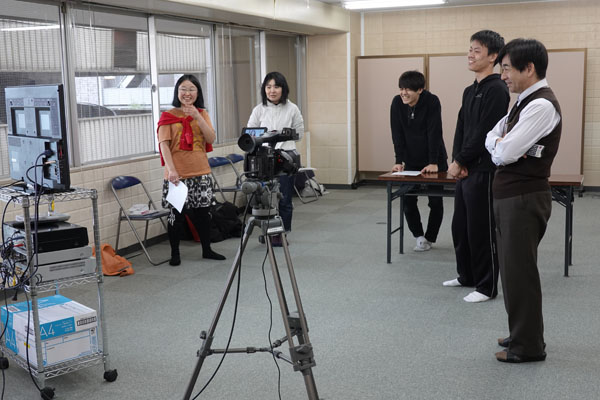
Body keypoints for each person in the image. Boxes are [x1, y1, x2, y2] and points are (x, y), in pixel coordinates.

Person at [485, 39, 561, 363]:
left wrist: (501, 145)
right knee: (513, 273)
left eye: (506, 68)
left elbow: (504, 151)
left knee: (520, 274)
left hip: (523, 199)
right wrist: (501, 145)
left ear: (528, 68)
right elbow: (493, 138)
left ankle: (527, 346)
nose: (502, 75)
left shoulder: (541, 105)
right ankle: (521, 332)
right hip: (512, 197)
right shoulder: (522, 102)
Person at [444, 30, 509, 303]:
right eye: (470, 49)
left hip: (483, 170)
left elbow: (485, 132)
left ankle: (486, 286)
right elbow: (462, 127)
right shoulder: (470, 90)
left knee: (481, 230)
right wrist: (456, 159)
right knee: (461, 227)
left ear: (493, 56)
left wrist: (462, 161)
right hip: (466, 168)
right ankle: (466, 275)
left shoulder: (497, 89)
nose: (471, 54)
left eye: (477, 50)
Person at [158, 74, 226, 266]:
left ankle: (207, 249)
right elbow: (164, 145)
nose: (187, 93)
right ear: (177, 92)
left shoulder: (202, 113)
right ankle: (175, 254)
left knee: (204, 214)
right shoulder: (168, 116)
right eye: (183, 89)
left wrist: (197, 116)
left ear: (198, 92)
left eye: (191, 89)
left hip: (201, 171)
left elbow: (211, 139)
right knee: (176, 216)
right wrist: (171, 170)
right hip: (176, 175)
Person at [390, 70, 448, 252]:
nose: (403, 93)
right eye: (401, 89)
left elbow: (434, 132)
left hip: (435, 160)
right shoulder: (397, 103)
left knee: (435, 202)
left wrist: (432, 161)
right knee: (407, 200)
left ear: (420, 89)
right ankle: (419, 237)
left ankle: (430, 237)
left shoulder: (432, 101)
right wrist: (399, 160)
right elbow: (397, 133)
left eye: (408, 89)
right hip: (411, 161)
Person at [247, 71, 304, 246]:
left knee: (285, 199)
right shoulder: (259, 109)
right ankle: (267, 232)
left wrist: (281, 136)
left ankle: (282, 233)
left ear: (283, 89)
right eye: (268, 87)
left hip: (286, 158)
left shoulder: (292, 108)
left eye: (276, 87)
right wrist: (264, 138)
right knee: (265, 199)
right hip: (264, 159)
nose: (272, 90)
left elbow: (299, 133)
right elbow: (249, 133)